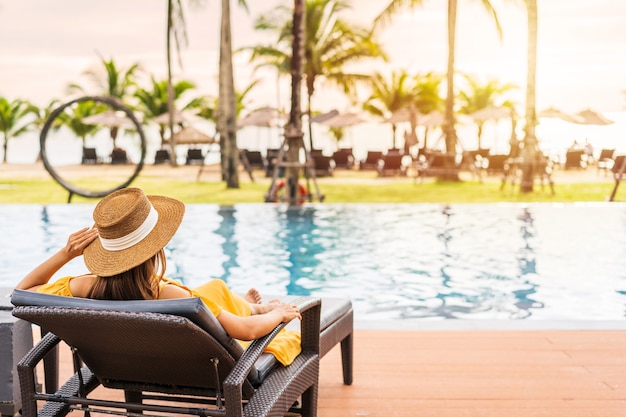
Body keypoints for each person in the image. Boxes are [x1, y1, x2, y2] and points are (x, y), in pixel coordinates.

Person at [15, 187, 302, 366]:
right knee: (216, 292)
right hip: (194, 361)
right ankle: (256, 308)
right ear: (156, 247)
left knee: (215, 288)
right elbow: (248, 332)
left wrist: (65, 254)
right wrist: (278, 315)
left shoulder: (81, 287)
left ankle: (251, 305)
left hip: (126, 363)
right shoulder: (174, 297)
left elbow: (23, 293)